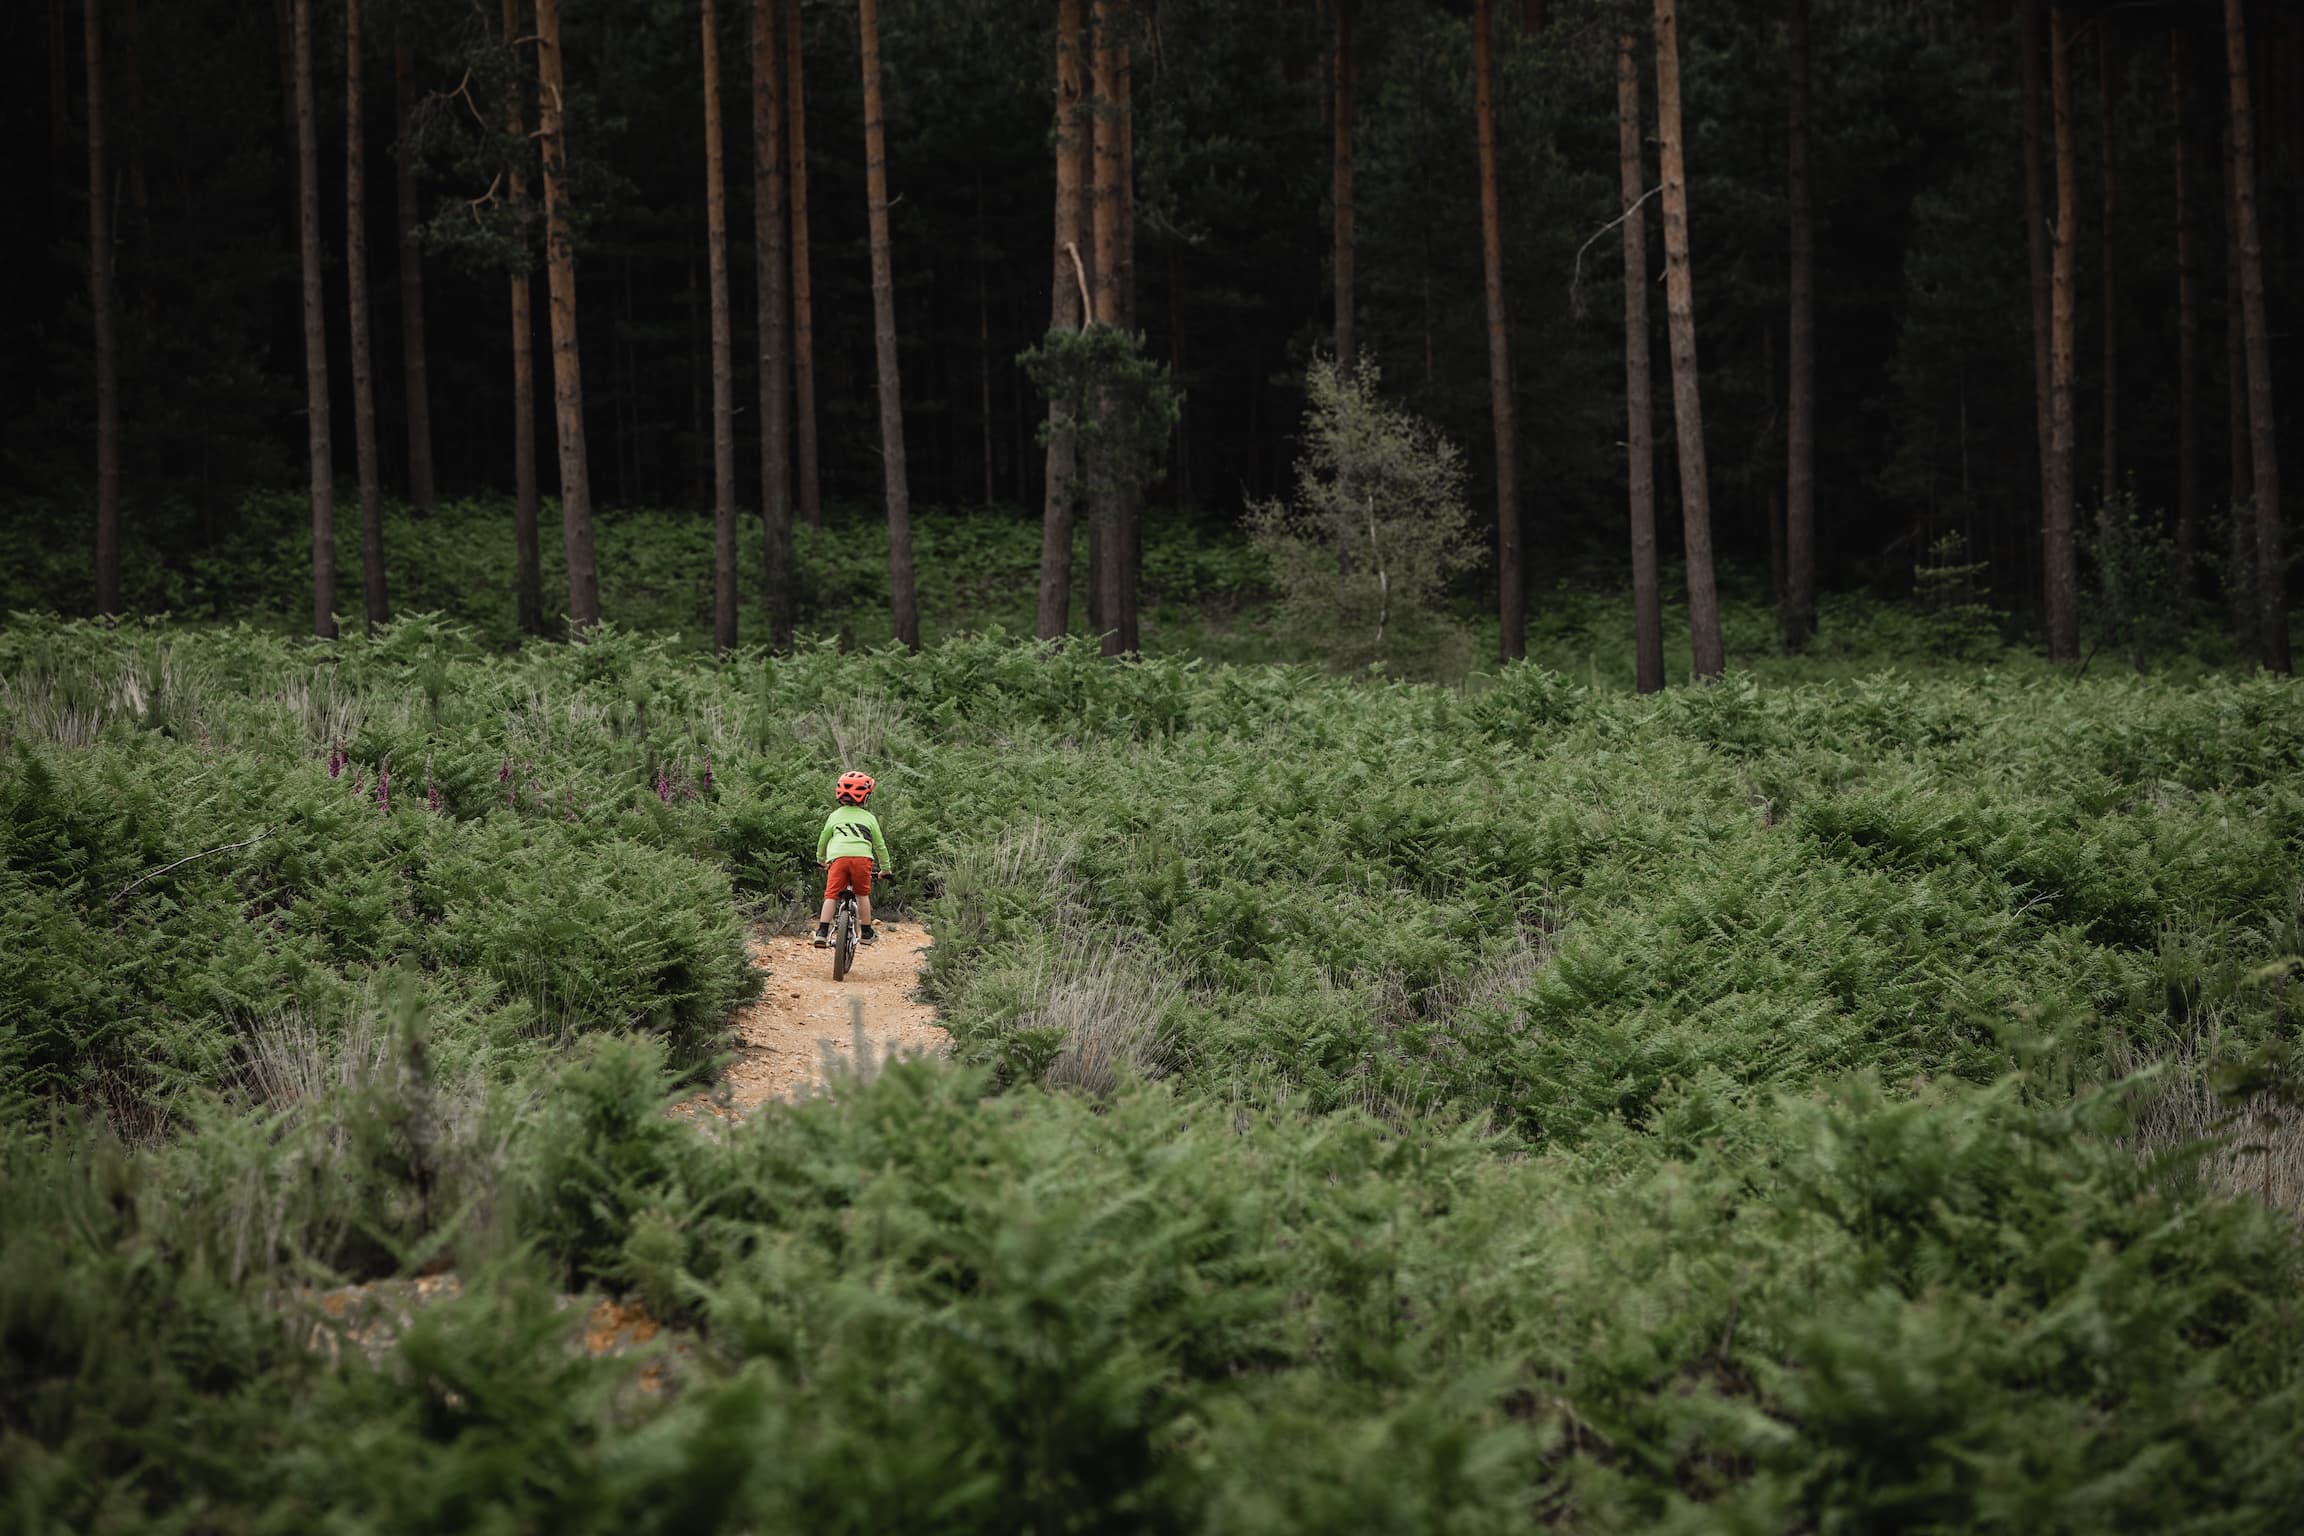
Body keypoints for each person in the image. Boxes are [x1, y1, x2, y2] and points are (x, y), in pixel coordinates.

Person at [814, 770, 892, 947]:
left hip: (838, 859)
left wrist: (820, 859)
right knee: (862, 895)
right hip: (862, 860)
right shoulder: (869, 818)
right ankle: (865, 932)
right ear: (865, 797)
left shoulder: (834, 816)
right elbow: (880, 845)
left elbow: (823, 839)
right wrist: (885, 869)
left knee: (831, 896)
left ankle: (822, 932)